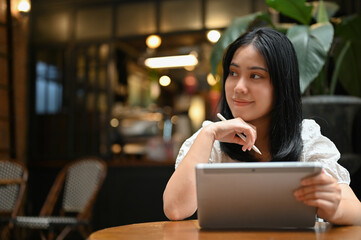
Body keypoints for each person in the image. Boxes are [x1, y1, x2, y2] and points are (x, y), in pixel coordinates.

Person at [163, 27, 361, 225]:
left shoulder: (305, 138)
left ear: (282, 84)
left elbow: (356, 211)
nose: (238, 87)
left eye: (255, 76)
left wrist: (334, 208)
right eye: (233, 73)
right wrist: (208, 134)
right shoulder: (209, 141)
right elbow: (175, 209)